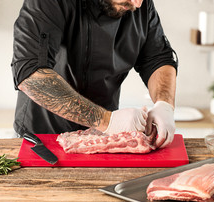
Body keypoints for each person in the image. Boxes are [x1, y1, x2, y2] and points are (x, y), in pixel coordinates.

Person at [11, 0, 178, 148]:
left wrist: (164, 104)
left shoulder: (139, 4)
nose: (138, 4)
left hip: (105, 138)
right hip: (42, 139)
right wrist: (106, 121)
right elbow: (31, 73)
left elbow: (158, 58)